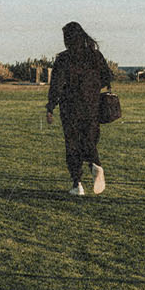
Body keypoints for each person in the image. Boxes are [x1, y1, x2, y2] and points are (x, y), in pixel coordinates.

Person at [45, 21, 113, 196]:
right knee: (89, 140)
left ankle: (77, 184)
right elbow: (107, 77)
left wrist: (51, 106)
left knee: (72, 144)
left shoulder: (64, 58)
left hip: (70, 107)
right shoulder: (95, 56)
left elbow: (56, 85)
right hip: (92, 105)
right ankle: (95, 165)